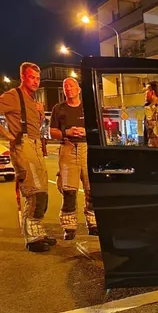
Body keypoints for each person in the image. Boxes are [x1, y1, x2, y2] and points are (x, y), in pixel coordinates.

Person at [0, 62, 56, 252]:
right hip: (23, 146)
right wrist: (8, 136)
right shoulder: (13, 96)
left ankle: (37, 230)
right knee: (34, 191)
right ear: (23, 77)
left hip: (36, 146)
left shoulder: (33, 101)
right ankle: (32, 237)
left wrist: (40, 114)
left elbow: (35, 127)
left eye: (38, 78)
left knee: (43, 192)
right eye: (32, 77)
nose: (35, 81)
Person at [49, 77, 97, 240]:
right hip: (67, 148)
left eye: (71, 85)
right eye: (65, 86)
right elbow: (52, 132)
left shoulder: (89, 108)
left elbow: (99, 127)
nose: (68, 88)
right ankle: (69, 227)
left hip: (87, 149)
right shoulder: (58, 109)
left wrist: (86, 131)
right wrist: (66, 133)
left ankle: (93, 222)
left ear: (78, 89)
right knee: (69, 190)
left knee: (91, 189)